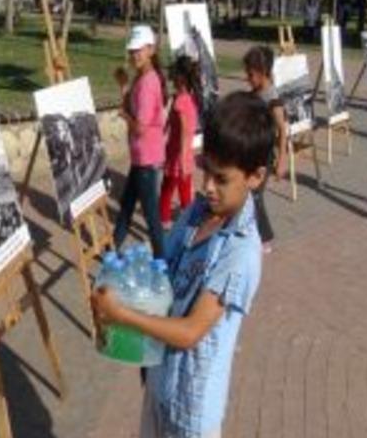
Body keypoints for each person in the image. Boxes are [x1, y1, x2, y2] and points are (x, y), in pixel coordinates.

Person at [93, 92, 274, 438]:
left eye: (221, 179)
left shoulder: (241, 252)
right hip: (160, 381)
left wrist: (122, 315)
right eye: (205, 169)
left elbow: (191, 331)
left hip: (192, 410)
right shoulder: (196, 213)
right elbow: (166, 270)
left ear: (255, 176)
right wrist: (123, 282)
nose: (207, 186)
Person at [112, 25, 168, 257]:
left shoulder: (147, 83)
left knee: (151, 215)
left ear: (151, 50)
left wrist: (124, 116)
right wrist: (124, 86)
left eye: (139, 50)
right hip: (142, 157)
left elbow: (141, 128)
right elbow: (132, 108)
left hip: (146, 157)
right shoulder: (144, 77)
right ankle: (113, 246)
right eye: (132, 50)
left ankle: (162, 261)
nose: (134, 54)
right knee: (126, 204)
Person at [243, 46, 288, 253]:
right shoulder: (254, 93)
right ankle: (249, 229)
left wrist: (282, 161)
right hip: (252, 151)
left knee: (255, 195)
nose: (248, 78)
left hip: (265, 157)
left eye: (251, 74)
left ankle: (265, 237)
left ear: (262, 72)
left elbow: (282, 130)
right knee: (247, 192)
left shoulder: (273, 99)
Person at [160, 56, 200, 230]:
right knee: (175, 190)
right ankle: (170, 221)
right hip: (180, 153)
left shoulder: (181, 100)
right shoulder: (186, 98)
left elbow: (184, 132)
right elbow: (171, 124)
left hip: (180, 154)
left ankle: (170, 221)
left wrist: (183, 159)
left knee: (172, 190)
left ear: (179, 78)